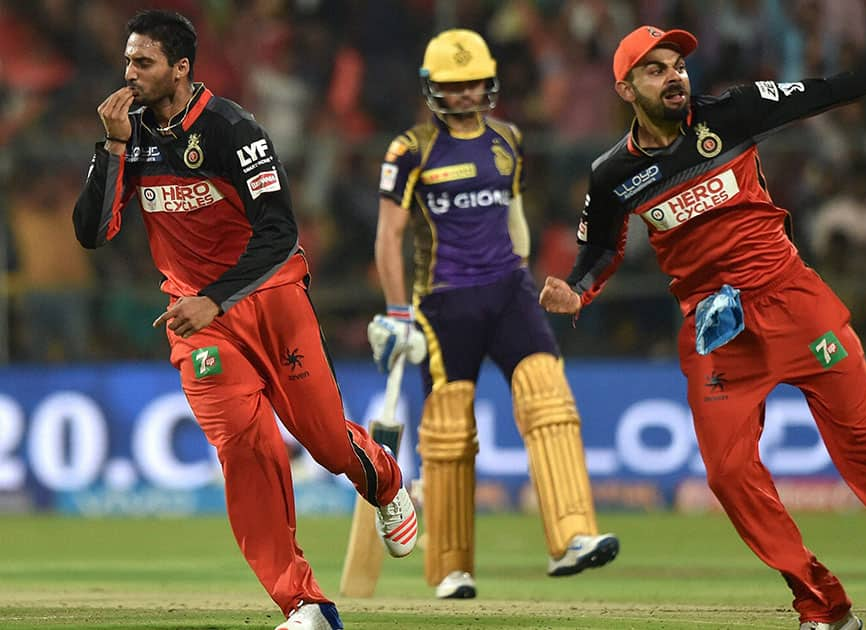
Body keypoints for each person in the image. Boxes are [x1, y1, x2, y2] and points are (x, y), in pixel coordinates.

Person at [540, 24, 866, 630]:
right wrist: (576, 291)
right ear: (626, 88)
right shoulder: (612, 173)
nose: (674, 75)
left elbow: (831, 90)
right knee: (729, 475)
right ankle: (822, 606)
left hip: (794, 303)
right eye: (655, 69)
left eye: (677, 65)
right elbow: (600, 250)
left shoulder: (733, 112)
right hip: (717, 330)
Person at [72, 11, 417, 630]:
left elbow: (280, 233)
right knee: (246, 449)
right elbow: (93, 233)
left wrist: (220, 294)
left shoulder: (234, 129)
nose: (128, 73)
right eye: (127, 61)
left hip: (271, 298)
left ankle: (383, 478)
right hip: (196, 321)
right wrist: (114, 146)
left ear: (180, 68)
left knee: (324, 440)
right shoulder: (132, 137)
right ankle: (305, 604)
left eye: (141, 62)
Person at [368, 28, 618, 600]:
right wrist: (398, 312)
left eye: (473, 84)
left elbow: (515, 213)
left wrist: (524, 274)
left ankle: (573, 537)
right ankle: (451, 567)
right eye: (451, 86)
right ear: (432, 89)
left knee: (548, 397)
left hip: (508, 290)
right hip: (444, 302)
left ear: (490, 84)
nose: (463, 95)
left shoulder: (507, 139)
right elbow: (389, 235)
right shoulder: (410, 150)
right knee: (449, 434)